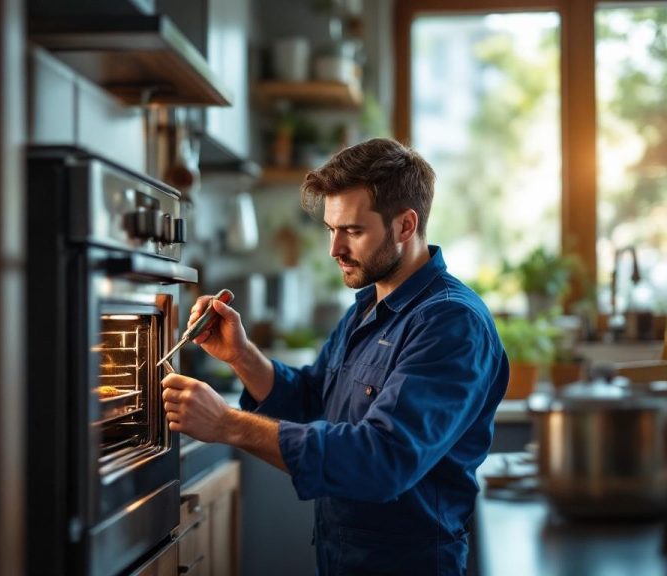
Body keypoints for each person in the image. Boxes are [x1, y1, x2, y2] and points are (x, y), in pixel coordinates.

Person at [162, 138, 509, 575]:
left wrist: (227, 423)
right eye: (331, 229)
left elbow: (382, 460)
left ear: (405, 226)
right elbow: (314, 400)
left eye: (353, 231)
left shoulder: (452, 324)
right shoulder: (368, 306)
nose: (334, 249)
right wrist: (242, 356)